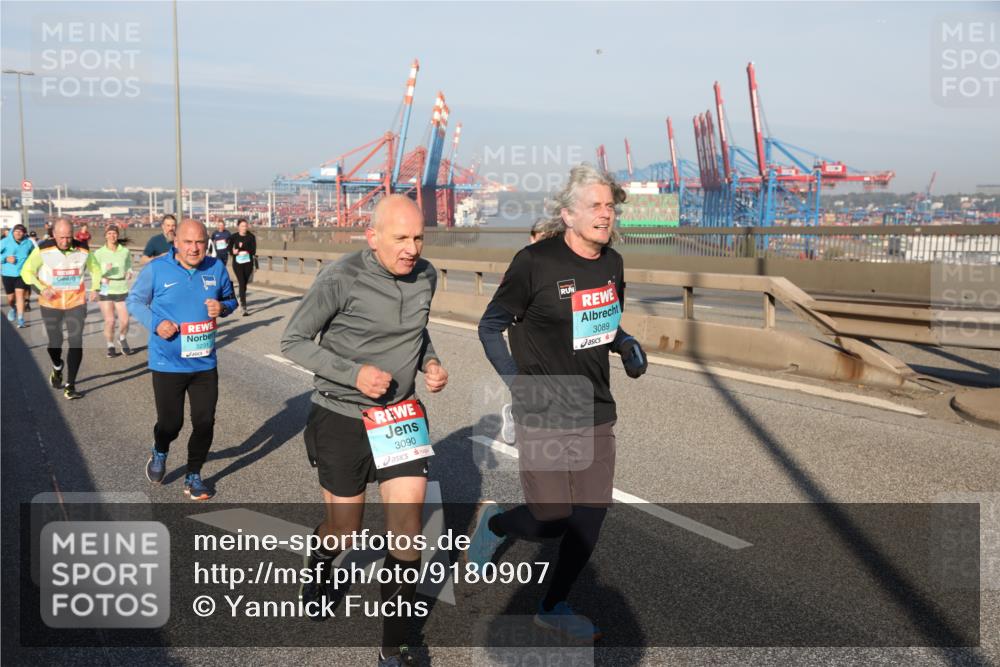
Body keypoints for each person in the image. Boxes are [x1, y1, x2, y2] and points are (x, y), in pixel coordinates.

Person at [471, 165, 648, 642]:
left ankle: (552, 603)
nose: (605, 213)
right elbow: (490, 326)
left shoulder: (612, 263)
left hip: (595, 408)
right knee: (551, 518)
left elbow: (605, 323)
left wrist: (626, 344)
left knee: (589, 518)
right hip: (545, 406)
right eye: (595, 205)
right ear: (568, 214)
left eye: (610, 206)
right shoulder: (533, 262)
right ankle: (499, 521)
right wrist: (516, 382)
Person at [280, 194, 448, 667]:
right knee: (344, 531)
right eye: (401, 238)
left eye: (418, 237)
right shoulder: (340, 278)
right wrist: (352, 374)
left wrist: (431, 362)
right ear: (372, 237)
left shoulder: (426, 276)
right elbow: (292, 341)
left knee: (407, 531)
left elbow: (419, 331)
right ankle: (321, 562)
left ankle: (393, 646)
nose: (412, 248)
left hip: (401, 417)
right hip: (341, 416)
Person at [127, 219, 238, 500]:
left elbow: (231, 300)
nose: (194, 248)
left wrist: (222, 307)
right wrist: (156, 323)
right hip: (167, 363)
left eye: (200, 242)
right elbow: (134, 301)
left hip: (204, 363)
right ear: (175, 242)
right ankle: (160, 450)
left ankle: (194, 476)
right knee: (170, 424)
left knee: (204, 422)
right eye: (188, 242)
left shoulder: (216, 268)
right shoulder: (157, 269)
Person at [20, 219, 102, 399]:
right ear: (54, 235)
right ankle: (57, 366)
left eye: (69, 237)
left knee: (76, 341)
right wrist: (42, 289)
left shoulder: (83, 249)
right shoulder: (43, 249)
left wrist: (95, 288)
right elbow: (26, 272)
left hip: (76, 302)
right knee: (54, 343)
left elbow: (96, 270)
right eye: (62, 238)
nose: (65, 241)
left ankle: (70, 385)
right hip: (51, 303)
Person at [91, 224, 133, 357]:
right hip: (105, 286)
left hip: (121, 286)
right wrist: (104, 272)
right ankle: (110, 345)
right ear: (105, 236)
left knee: (125, 320)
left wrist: (129, 272)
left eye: (114, 233)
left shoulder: (124, 251)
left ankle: (122, 338)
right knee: (110, 321)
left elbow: (129, 265)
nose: (112, 236)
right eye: (109, 233)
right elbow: (93, 271)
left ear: (117, 235)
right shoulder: (99, 253)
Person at [1, 224, 34, 328]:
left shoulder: (28, 243)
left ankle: (20, 319)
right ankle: (13, 308)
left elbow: (34, 256)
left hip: (21, 274)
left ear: (24, 233)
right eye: (16, 231)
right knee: (11, 299)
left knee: (20, 296)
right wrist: (5, 259)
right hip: (7, 274)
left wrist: (33, 268)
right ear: (12, 232)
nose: (18, 233)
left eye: (21, 231)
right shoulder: (5, 242)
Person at [229, 218, 256, 316]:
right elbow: (229, 248)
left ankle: (240, 299)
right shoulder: (234, 237)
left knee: (244, 285)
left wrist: (242, 247)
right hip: (237, 263)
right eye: (242, 226)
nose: (244, 228)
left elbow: (253, 251)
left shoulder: (251, 237)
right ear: (238, 227)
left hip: (248, 263)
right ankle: (244, 307)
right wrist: (233, 252)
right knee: (241, 282)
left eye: (245, 226)